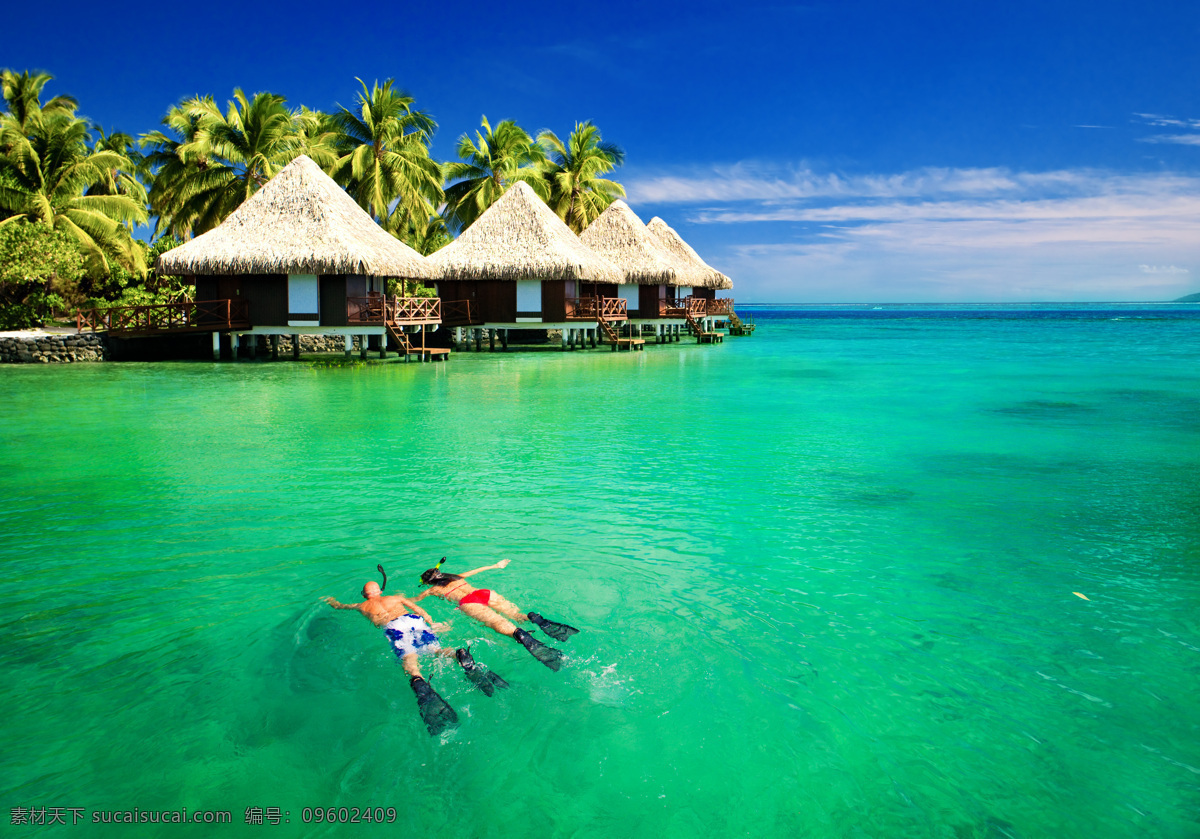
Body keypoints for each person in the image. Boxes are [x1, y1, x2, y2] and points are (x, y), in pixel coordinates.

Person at [321, 581, 508, 735]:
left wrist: (331, 600)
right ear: (381, 590)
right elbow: (418, 609)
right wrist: (432, 622)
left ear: (364, 594)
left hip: (393, 628)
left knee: (409, 657)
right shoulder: (395, 598)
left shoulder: (360, 605)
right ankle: (456, 655)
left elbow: (340, 606)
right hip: (412, 620)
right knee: (437, 649)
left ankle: (418, 679)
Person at [413, 559, 579, 671]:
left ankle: (518, 634)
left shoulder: (432, 590)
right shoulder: (457, 577)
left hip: (468, 603)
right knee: (515, 614)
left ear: (429, 582)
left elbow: (414, 600)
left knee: (497, 623)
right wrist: (497, 565)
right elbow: (478, 570)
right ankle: (532, 618)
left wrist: (400, 599)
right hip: (484, 593)